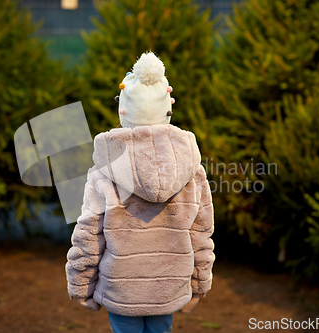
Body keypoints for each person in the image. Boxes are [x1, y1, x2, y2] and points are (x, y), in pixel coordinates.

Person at [65, 51, 215, 333]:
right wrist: (198, 284)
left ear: (122, 110)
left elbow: (88, 234)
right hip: (168, 288)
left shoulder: (104, 168)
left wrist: (80, 284)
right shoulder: (192, 167)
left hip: (122, 288)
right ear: (168, 108)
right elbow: (201, 232)